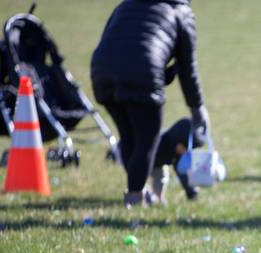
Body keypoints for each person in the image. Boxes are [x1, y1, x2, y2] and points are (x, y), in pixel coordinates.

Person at [90, 0, 210, 208]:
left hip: (102, 71)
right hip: (142, 73)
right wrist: (197, 108)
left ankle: (137, 191)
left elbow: (119, 43)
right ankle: (135, 198)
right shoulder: (180, 11)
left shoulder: (126, 5)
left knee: (129, 136)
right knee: (146, 140)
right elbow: (187, 69)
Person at [149, 118, 204, 203]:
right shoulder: (159, 145)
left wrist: (191, 193)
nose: (186, 152)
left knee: (162, 177)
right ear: (178, 144)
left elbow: (182, 172)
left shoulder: (177, 152)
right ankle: (142, 195)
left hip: (158, 162)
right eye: (185, 148)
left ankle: (158, 198)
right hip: (145, 160)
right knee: (157, 175)